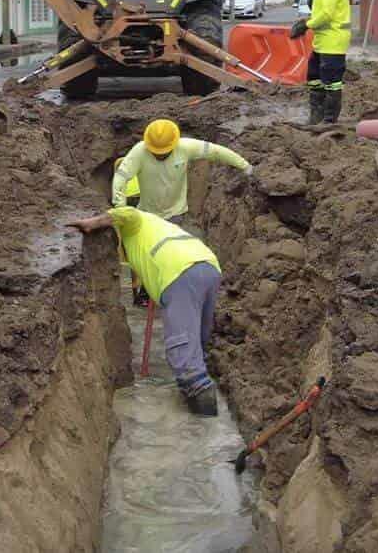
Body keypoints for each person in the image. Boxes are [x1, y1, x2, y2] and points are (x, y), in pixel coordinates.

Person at [67, 207, 223, 416]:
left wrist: (93, 223)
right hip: (208, 266)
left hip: (179, 272)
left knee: (183, 351)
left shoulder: (134, 223)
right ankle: (201, 400)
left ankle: (203, 424)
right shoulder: (158, 226)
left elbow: (128, 213)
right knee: (197, 341)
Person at [111, 119, 252, 232]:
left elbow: (217, 151)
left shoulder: (185, 147)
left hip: (177, 214)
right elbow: (121, 177)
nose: (160, 155)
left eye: (163, 152)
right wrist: (121, 208)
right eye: (156, 152)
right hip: (148, 215)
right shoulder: (139, 152)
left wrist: (245, 166)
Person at [290, 0, 352, 125]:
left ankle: (329, 121)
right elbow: (320, 13)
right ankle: (316, 116)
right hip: (323, 42)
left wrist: (305, 24)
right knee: (314, 77)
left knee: (331, 82)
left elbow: (326, 15)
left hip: (334, 42)